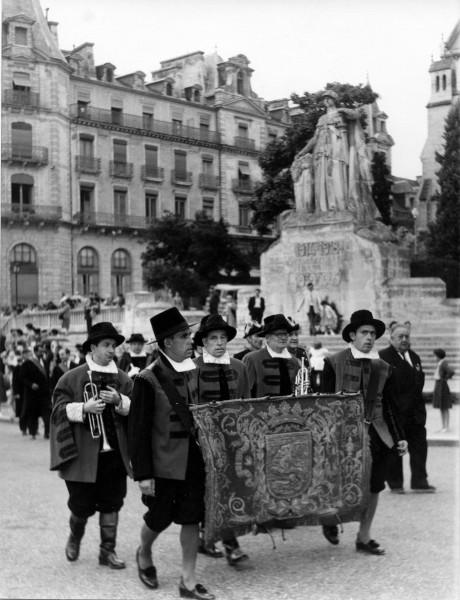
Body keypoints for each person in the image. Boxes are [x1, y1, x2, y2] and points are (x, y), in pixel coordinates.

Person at [128, 307, 215, 599]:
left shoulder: (195, 370)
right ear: (167, 343)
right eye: (184, 336)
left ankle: (187, 581)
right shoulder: (147, 378)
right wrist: (143, 474)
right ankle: (144, 551)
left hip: (194, 462)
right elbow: (138, 430)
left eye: (189, 335)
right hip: (163, 465)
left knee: (191, 517)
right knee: (159, 518)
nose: (191, 341)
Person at [321, 310, 408, 554]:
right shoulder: (333, 363)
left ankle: (364, 536)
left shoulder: (384, 368)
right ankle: (329, 520)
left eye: (372, 333)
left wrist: (399, 436)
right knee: (336, 482)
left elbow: (390, 406)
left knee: (375, 485)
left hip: (376, 433)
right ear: (352, 335)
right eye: (364, 332)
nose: (369, 337)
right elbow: (323, 404)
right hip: (341, 434)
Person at [50, 322, 133, 568]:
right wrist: (83, 408)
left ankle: (107, 551)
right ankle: (75, 537)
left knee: (112, 502)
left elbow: (136, 408)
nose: (111, 350)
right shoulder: (71, 377)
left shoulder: (122, 378)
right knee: (81, 504)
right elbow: (57, 410)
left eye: (114, 345)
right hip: (83, 455)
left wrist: (120, 400)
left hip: (114, 454)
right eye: (106, 345)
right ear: (93, 347)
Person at [193, 313, 250, 566]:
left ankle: (224, 540)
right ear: (204, 342)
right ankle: (219, 540)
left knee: (230, 488)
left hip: (234, 440)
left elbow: (247, 404)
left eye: (223, 337)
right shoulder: (192, 368)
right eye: (213, 338)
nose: (219, 343)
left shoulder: (239, 367)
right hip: (203, 440)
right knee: (209, 489)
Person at [293, 89, 377, 224]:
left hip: (338, 150)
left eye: (329, 98)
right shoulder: (322, 119)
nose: (326, 100)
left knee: (337, 177)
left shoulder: (341, 113)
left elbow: (357, 114)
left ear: (334, 100)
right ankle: (324, 210)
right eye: (324, 98)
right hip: (321, 152)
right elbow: (315, 138)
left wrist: (343, 110)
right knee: (322, 180)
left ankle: (341, 208)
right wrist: (302, 152)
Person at [379, 324, 435, 493]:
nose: (404, 339)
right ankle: (395, 483)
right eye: (400, 337)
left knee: (420, 447)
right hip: (394, 412)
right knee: (395, 449)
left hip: (415, 414)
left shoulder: (415, 357)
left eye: (406, 336)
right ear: (391, 338)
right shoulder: (383, 357)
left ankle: (419, 481)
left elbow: (419, 385)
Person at [243, 314, 300, 398]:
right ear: (267, 337)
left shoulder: (293, 360)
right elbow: (245, 392)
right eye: (279, 334)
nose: (283, 338)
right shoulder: (252, 359)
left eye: (285, 334)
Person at [20, 343, 52, 440]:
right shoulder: (27, 363)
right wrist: (31, 384)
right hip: (32, 394)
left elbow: (47, 378)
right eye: (40, 351)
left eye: (43, 351)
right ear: (35, 351)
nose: (42, 353)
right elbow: (22, 377)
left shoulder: (45, 362)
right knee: (32, 414)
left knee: (47, 414)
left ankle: (47, 433)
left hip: (44, 393)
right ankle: (33, 432)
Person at [433, 348, 455, 433]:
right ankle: (443, 426)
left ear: (438, 356)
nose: (434, 357)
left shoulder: (443, 363)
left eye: (435, 356)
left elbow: (451, 371)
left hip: (442, 385)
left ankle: (447, 427)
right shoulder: (440, 363)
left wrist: (445, 378)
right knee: (441, 407)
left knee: (445, 407)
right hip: (438, 385)